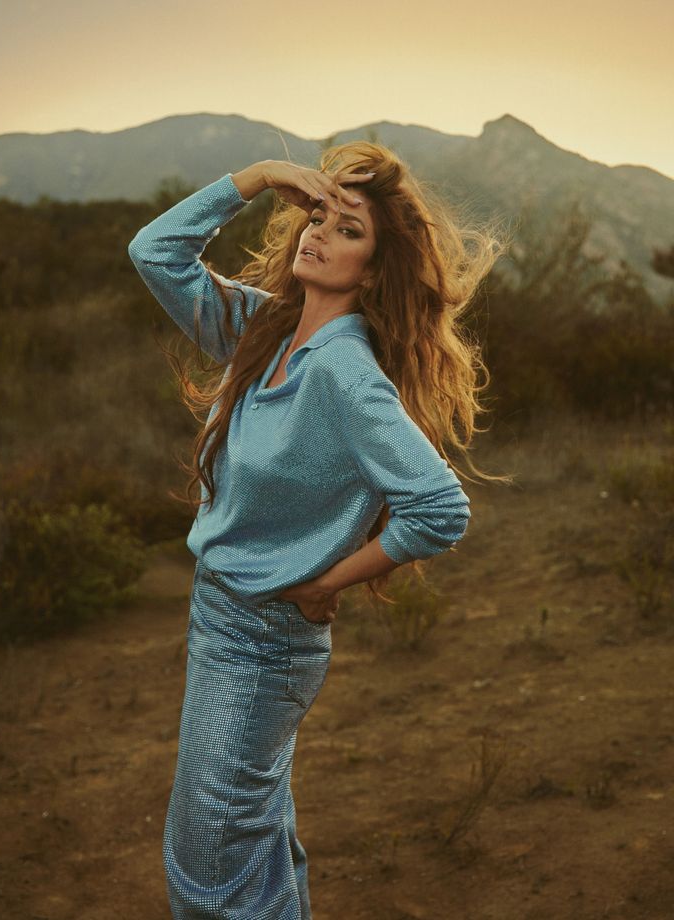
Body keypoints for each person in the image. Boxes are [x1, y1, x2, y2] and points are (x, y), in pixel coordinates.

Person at [128, 142, 508, 919]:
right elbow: (154, 252)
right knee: (250, 839)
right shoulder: (261, 332)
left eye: (349, 230)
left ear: (371, 272)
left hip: (265, 638)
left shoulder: (344, 370)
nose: (319, 233)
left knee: (210, 863)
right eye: (318, 216)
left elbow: (441, 508)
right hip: (218, 614)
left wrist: (330, 579)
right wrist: (261, 177)